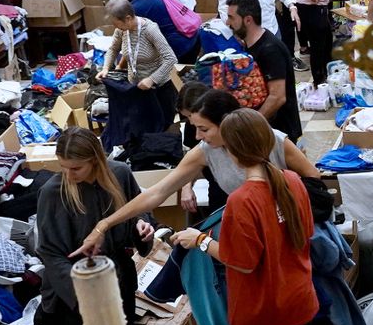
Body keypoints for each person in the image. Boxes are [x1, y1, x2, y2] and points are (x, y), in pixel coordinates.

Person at [77, 89, 320, 259]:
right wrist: (104, 224)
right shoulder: (206, 151)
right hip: (255, 240)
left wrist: (201, 241)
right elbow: (157, 192)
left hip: (290, 240)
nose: (197, 136)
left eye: (203, 129)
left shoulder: (274, 142)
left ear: (228, 124)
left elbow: (314, 181)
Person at [171, 109, 317, 325]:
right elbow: (306, 234)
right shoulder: (293, 181)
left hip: (261, 314)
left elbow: (242, 262)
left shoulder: (242, 200)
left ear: (232, 151)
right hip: (299, 302)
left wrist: (200, 239)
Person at [37, 128, 151, 325]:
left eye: (76, 168)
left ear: (95, 161)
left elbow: (139, 209)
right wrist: (84, 296)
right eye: (63, 167)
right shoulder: (52, 192)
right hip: (77, 293)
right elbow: (50, 253)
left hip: (120, 281)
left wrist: (141, 224)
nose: (69, 175)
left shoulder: (120, 174)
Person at [225, 0, 301, 140]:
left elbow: (277, 97)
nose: (228, 22)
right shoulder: (250, 44)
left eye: (232, 17)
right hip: (265, 130)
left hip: (279, 132)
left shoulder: (270, 50)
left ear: (248, 20)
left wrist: (250, 124)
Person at [104, 0, 178, 127]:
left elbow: (171, 58)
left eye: (117, 24)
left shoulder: (149, 30)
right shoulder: (121, 30)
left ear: (127, 18)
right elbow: (113, 49)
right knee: (142, 126)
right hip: (136, 87)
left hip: (159, 88)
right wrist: (105, 68)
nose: (116, 28)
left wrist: (152, 79)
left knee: (163, 128)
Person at [104, 0, 198, 62]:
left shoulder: (136, 8)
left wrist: (119, 66)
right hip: (190, 36)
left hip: (180, 46)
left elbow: (131, 43)